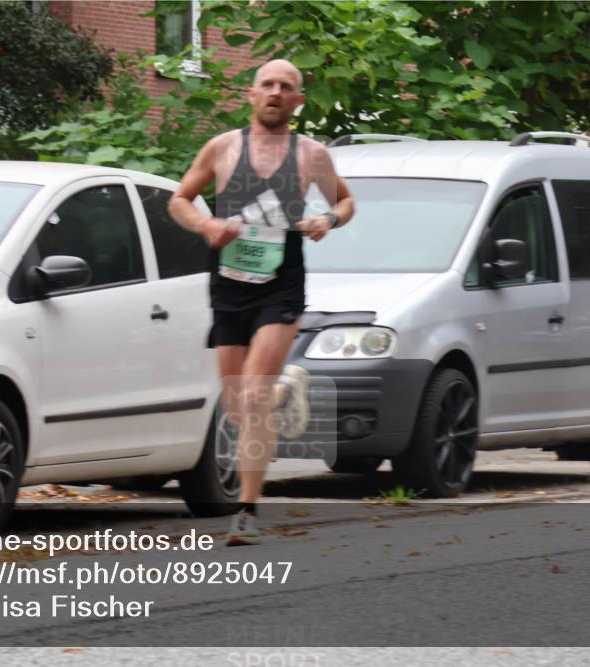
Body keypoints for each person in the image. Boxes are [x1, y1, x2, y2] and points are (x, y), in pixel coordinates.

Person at [169, 59, 354, 546]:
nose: (275, 92)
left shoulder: (311, 156)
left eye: (285, 87)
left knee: (249, 397)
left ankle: (247, 512)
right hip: (228, 284)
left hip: (280, 284)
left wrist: (327, 221)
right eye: (267, 85)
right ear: (250, 96)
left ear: (297, 101)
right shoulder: (223, 149)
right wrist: (206, 224)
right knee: (237, 405)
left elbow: (345, 202)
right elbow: (179, 200)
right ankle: (278, 392)